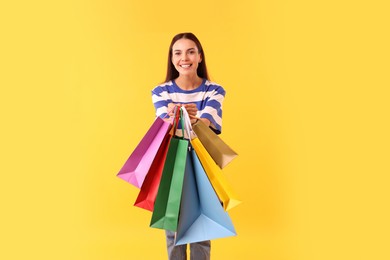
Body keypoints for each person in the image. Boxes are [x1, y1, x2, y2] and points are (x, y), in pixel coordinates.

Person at [151, 32, 226, 260]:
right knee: (173, 230)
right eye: (178, 52)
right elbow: (167, 131)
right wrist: (178, 119)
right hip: (172, 166)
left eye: (191, 51)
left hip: (203, 167)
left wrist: (182, 117)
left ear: (200, 57)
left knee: (202, 230)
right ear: (172, 59)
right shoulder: (160, 91)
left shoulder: (214, 90)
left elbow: (203, 127)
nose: (185, 58)